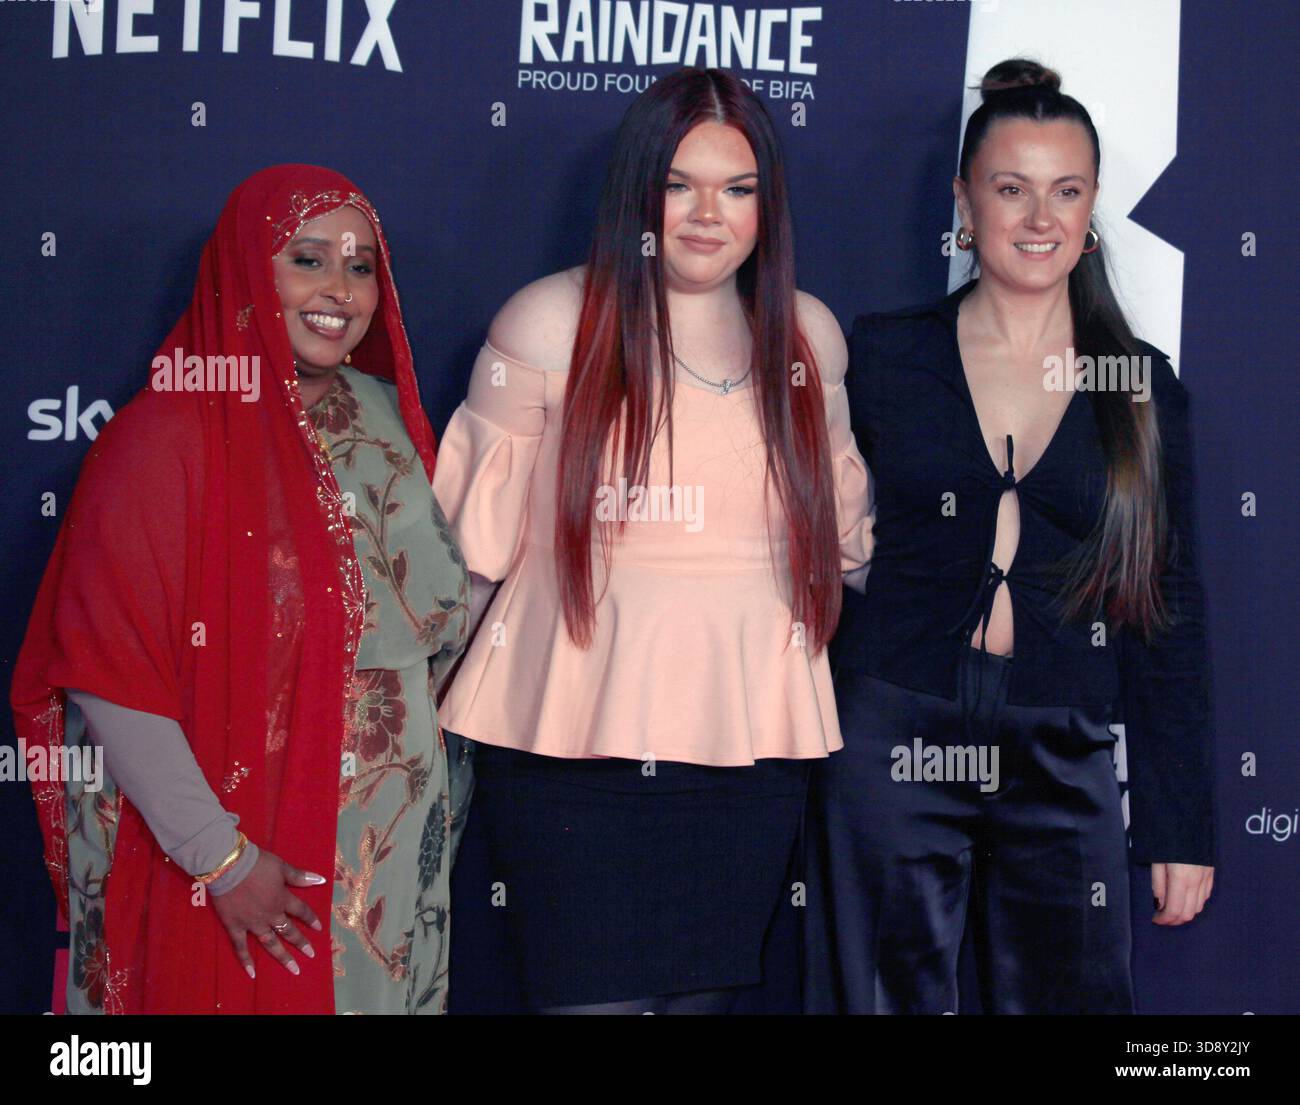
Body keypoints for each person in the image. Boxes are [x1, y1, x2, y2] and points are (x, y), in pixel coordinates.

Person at [432, 67, 873, 1014]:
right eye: (679, 184)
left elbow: (841, 543)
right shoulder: (548, 323)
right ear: (636, 189)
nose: (708, 215)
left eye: (739, 188)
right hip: (570, 758)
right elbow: (468, 560)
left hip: (746, 758)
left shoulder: (809, 339)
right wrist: (403, 722)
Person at [804, 59, 1216, 1014]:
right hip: (892, 728)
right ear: (965, 199)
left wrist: (1178, 822)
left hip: (1060, 738)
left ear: (1093, 205)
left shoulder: (1139, 387)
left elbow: (1172, 612)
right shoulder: (887, 355)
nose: (1040, 217)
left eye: (1066, 191)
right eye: (1011, 188)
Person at [12, 164, 472, 1014]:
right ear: (245, 270)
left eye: (361, 265)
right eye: (307, 259)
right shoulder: (167, 436)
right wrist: (219, 860)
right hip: (250, 872)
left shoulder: (383, 419)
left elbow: (432, 624)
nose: (341, 288)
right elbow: (112, 676)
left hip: (386, 871)